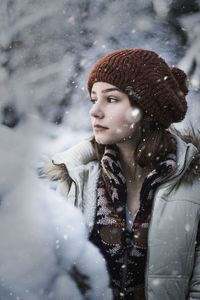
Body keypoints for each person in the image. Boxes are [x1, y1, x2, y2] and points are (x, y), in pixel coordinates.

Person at [44, 48, 200, 300]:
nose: (95, 111)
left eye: (111, 99)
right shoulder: (76, 177)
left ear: (145, 109)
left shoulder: (193, 181)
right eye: (93, 99)